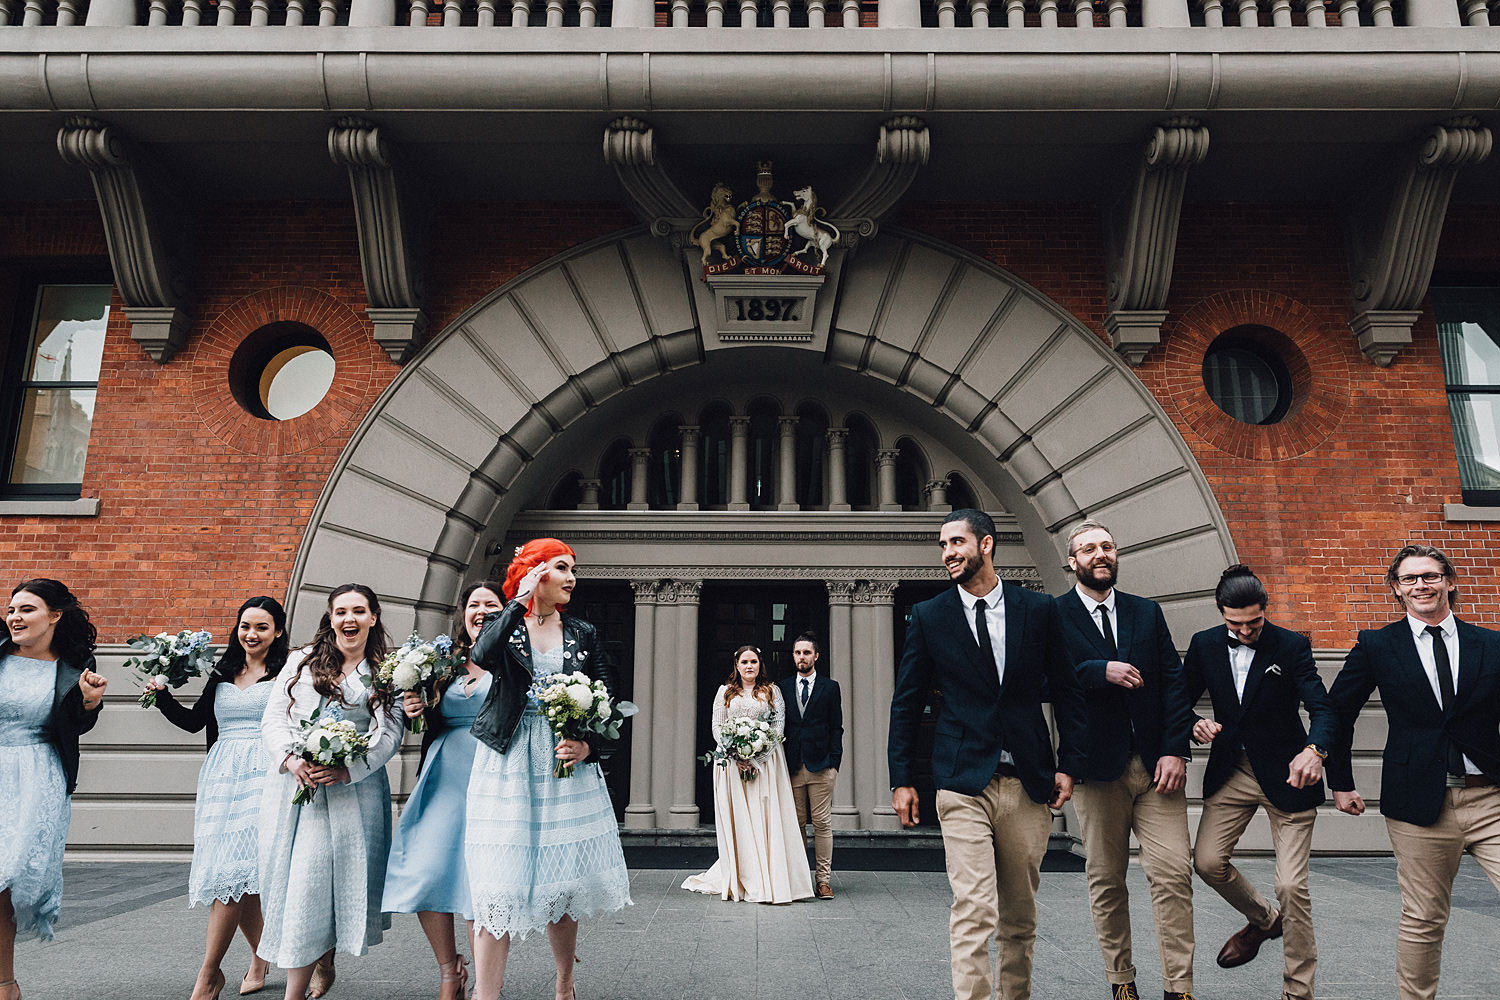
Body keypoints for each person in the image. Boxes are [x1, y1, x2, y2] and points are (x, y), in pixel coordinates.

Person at [889, 509, 1087, 1000]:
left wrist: (1069, 764)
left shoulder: (1037, 610)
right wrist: (901, 777)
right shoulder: (930, 615)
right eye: (942, 545)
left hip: (1027, 780)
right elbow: (907, 699)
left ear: (987, 544)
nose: (948, 553)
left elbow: (1067, 690)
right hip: (961, 779)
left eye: (956, 542)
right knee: (974, 907)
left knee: (1019, 916)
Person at [1326, 544, 1500, 1000]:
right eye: (1410, 579)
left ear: (1451, 582)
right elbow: (1338, 713)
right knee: (1424, 917)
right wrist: (1340, 783)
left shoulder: (1491, 643)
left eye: (1431, 576)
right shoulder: (1378, 645)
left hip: (1491, 798)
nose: (1421, 585)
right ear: (1397, 590)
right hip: (1420, 805)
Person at [465, 539, 631, 1000]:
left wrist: (587, 744)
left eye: (573, 569)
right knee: (497, 884)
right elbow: (481, 656)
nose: (572, 578)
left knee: (563, 883)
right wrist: (518, 602)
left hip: (563, 760)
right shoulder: (509, 624)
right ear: (537, 573)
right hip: (508, 759)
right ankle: (486, 994)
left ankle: (564, 979)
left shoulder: (583, 632)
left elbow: (608, 696)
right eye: (562, 568)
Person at [1053, 519, 1197, 1000]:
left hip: (1157, 768)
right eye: (1089, 549)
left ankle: (1179, 987)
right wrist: (1099, 670)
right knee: (1107, 878)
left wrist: (1177, 748)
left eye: (1108, 547)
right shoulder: (1054, 616)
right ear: (1072, 562)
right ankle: (1121, 980)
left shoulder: (1146, 613)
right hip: (1096, 770)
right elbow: (1042, 682)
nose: (1101, 554)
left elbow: (1173, 683)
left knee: (1173, 873)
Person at [1184, 565, 1333, 1000]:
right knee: (1208, 863)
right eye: (1236, 623)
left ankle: (1298, 990)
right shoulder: (1205, 645)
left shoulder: (1291, 645)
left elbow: (1322, 708)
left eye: (1254, 621)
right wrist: (1194, 725)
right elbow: (1180, 701)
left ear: (1264, 611)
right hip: (1232, 771)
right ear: (1220, 613)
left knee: (1291, 886)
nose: (1246, 630)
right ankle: (1266, 920)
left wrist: (1315, 750)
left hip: (1289, 775)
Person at [257, 584, 401, 1000]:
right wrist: (290, 760)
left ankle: (295, 990)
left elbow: (389, 733)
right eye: (341, 612)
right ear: (330, 616)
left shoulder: (386, 671)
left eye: (359, 611)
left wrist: (347, 768)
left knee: (314, 882)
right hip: (294, 789)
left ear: (373, 617)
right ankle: (320, 955)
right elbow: (273, 719)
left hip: (352, 794)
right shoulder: (300, 662)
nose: (349, 620)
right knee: (292, 882)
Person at [149, 596, 290, 1000]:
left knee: (235, 874)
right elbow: (196, 723)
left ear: (277, 631)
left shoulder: (285, 674)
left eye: (262, 627)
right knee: (237, 876)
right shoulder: (223, 670)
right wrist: (160, 695)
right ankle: (260, 957)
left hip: (266, 776)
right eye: (246, 626)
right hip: (222, 780)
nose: (252, 634)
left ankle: (209, 974)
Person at [382, 580, 504, 1000]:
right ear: (463, 614)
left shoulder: (513, 660)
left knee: (479, 881)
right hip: (444, 773)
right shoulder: (443, 661)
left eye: (492, 604)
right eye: (475, 604)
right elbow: (423, 719)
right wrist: (415, 707)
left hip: (493, 773)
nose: (482, 610)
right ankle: (450, 967)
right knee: (426, 869)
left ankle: (484, 988)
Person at [0, 579, 106, 1000]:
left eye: (26, 609)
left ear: (55, 616)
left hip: (36, 775)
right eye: (11, 609)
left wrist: (90, 702)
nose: (14, 617)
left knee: (8, 876)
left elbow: (76, 727)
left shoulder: (74, 665)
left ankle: (4, 982)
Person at [683, 644, 815, 904]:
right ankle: (743, 874)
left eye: (753, 661)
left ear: (759, 664)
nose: (749, 666)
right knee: (740, 818)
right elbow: (717, 727)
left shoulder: (772, 692)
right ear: (737, 665)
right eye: (744, 662)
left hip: (766, 765)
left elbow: (778, 728)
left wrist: (757, 757)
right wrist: (735, 754)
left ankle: (768, 874)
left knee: (764, 815)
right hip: (732, 766)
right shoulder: (724, 693)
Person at [776, 630, 842, 900]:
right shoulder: (781, 687)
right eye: (797, 652)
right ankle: (802, 879)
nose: (801, 657)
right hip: (792, 766)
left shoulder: (830, 687)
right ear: (793, 656)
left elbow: (836, 727)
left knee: (823, 824)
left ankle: (823, 881)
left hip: (821, 766)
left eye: (806, 652)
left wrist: (834, 763)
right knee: (797, 823)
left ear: (816, 656)